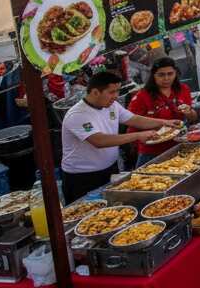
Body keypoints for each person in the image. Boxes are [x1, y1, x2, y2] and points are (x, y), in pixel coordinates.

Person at [61, 70, 180, 202]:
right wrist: (138, 135)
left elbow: (134, 119)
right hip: (83, 177)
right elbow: (99, 140)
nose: (116, 96)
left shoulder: (112, 106)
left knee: (114, 205)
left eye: (117, 91)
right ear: (95, 92)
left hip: (110, 168)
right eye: (111, 92)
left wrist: (164, 123)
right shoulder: (78, 115)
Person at [126, 57, 197, 167]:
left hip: (179, 146)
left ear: (176, 73)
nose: (166, 78)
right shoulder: (141, 96)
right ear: (153, 75)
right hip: (152, 152)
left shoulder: (183, 89)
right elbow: (132, 125)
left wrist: (189, 112)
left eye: (170, 74)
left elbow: (193, 118)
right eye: (161, 75)